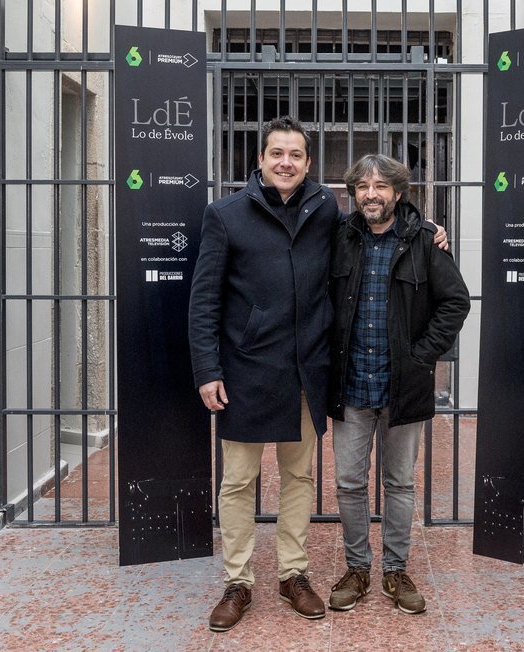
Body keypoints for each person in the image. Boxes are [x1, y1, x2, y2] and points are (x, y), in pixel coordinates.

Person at [188, 116, 335, 632]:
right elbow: (203, 299)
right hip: (245, 370)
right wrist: (208, 368)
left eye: (296, 154)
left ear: (308, 162)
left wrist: (425, 228)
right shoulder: (225, 214)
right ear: (260, 159)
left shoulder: (326, 208)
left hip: (304, 370)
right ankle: (238, 581)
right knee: (239, 481)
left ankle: (293, 575)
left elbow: (371, 230)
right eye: (277, 153)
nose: (286, 162)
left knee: (300, 477)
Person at [326, 154, 470, 615]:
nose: (371, 194)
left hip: (402, 387)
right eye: (363, 186)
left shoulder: (425, 240)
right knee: (350, 484)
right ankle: (356, 568)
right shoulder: (341, 239)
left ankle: (394, 569)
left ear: (398, 193)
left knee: (400, 483)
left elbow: (456, 303)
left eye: (381, 186)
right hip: (351, 387)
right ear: (354, 193)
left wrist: (420, 355)